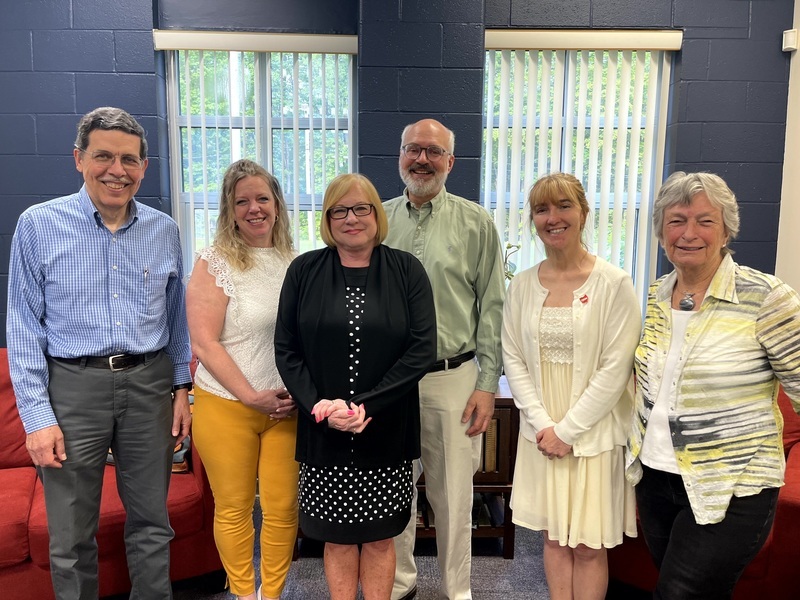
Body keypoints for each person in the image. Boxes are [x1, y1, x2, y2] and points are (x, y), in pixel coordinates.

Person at [6, 106, 192, 600]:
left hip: (150, 384)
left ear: (144, 167)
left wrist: (181, 386)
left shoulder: (164, 230)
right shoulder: (39, 225)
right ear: (79, 159)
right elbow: (23, 327)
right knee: (70, 534)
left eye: (129, 159)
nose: (117, 170)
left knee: (153, 522)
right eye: (103, 156)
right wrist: (36, 418)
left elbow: (176, 318)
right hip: (72, 388)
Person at [626, 171, 800, 599]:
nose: (689, 233)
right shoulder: (655, 295)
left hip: (733, 484)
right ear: (661, 231)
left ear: (726, 231)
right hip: (655, 477)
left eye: (705, 221)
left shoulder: (766, 297)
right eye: (676, 220)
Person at [274, 173, 436, 600]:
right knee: (337, 538)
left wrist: (366, 405)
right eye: (340, 210)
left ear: (376, 214)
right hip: (324, 430)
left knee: (381, 538)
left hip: (386, 429)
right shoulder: (304, 270)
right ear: (328, 220)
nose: (351, 218)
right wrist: (321, 407)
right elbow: (286, 349)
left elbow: (422, 349)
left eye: (361, 208)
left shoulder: (407, 270)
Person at [501, 173, 640, 600]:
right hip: (542, 433)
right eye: (541, 209)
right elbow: (513, 358)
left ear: (583, 213)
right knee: (554, 539)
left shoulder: (613, 283)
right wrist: (545, 425)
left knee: (587, 545)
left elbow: (616, 368)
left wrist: (568, 431)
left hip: (592, 434)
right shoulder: (522, 284)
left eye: (564, 206)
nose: (553, 217)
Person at [383, 119, 506, 600]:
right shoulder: (376, 219)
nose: (422, 159)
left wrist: (487, 384)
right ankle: (400, 584)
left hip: (452, 376)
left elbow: (493, 307)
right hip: (388, 379)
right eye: (413, 149)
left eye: (433, 151)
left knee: (453, 494)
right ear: (400, 156)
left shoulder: (476, 223)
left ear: (450, 162)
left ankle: (458, 591)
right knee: (392, 487)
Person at [186, 159, 298, 600]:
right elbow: (204, 342)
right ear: (229, 211)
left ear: (277, 204)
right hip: (227, 405)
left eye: (262, 199)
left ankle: (272, 594)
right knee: (234, 509)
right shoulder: (214, 262)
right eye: (242, 202)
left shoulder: (295, 261)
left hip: (284, 408)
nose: (255, 209)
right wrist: (251, 395)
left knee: (283, 508)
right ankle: (244, 594)